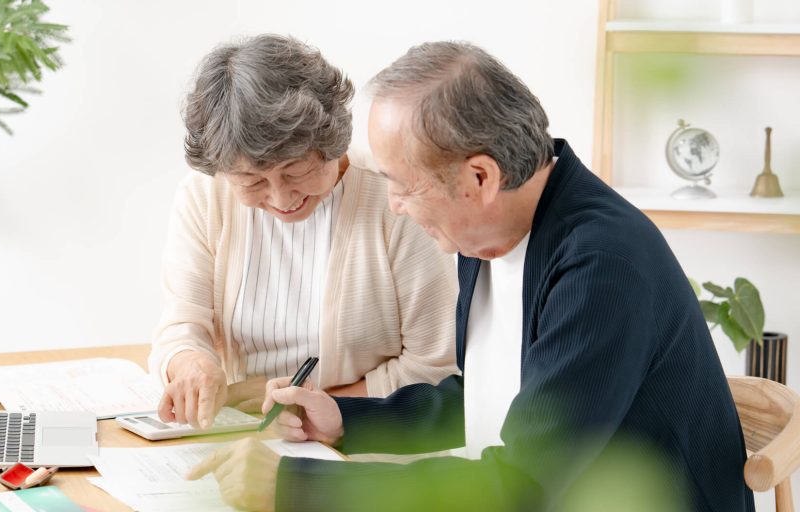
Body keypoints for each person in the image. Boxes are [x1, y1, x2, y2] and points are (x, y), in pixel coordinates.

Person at [188, 41, 754, 512]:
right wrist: (346, 419)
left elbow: (522, 487)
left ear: (479, 176)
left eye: (403, 185)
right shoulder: (490, 232)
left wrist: (296, 487)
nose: (395, 205)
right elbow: (491, 396)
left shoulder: (601, 265)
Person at [150, 34, 458, 429]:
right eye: (251, 181)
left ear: (330, 141)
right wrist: (193, 365)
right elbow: (182, 324)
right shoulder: (204, 196)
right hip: (235, 434)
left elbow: (435, 368)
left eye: (295, 170)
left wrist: (320, 409)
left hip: (364, 449)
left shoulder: (394, 201)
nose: (281, 197)